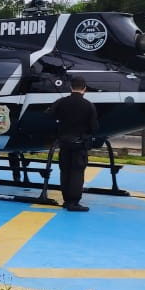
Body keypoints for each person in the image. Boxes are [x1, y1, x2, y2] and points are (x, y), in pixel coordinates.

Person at [51, 74, 98, 212]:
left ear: (71, 87)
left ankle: (66, 199)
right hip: (79, 143)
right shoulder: (89, 105)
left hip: (64, 142)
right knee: (77, 172)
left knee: (65, 170)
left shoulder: (61, 102)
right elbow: (94, 127)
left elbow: (48, 114)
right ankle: (74, 201)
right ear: (84, 89)